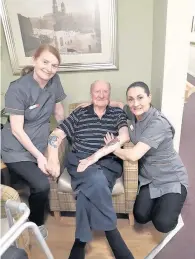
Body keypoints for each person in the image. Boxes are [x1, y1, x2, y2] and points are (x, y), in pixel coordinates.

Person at [80, 81, 188, 234]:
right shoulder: (133, 112)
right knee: (141, 216)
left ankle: (172, 201)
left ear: (149, 97)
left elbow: (133, 155)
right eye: (131, 99)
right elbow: (118, 104)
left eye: (140, 98)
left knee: (163, 224)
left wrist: (114, 149)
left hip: (170, 177)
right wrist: (93, 103)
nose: (135, 103)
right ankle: (163, 203)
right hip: (149, 179)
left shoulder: (158, 123)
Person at [46, 80, 135, 259]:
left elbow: (124, 136)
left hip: (108, 161)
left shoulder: (117, 112)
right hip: (79, 160)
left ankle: (80, 241)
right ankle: (112, 233)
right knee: (95, 179)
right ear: (91, 93)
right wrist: (53, 157)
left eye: (105, 92)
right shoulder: (79, 113)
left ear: (109, 94)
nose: (101, 95)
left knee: (91, 185)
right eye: (97, 91)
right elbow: (57, 134)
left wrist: (96, 156)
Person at [1, 44, 67, 238]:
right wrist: (40, 157)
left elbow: (58, 110)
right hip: (16, 148)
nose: (49, 68)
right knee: (41, 184)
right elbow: (16, 129)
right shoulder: (17, 89)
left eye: (54, 65)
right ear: (35, 60)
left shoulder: (55, 81)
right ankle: (36, 224)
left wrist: (65, 130)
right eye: (45, 62)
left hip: (38, 144)